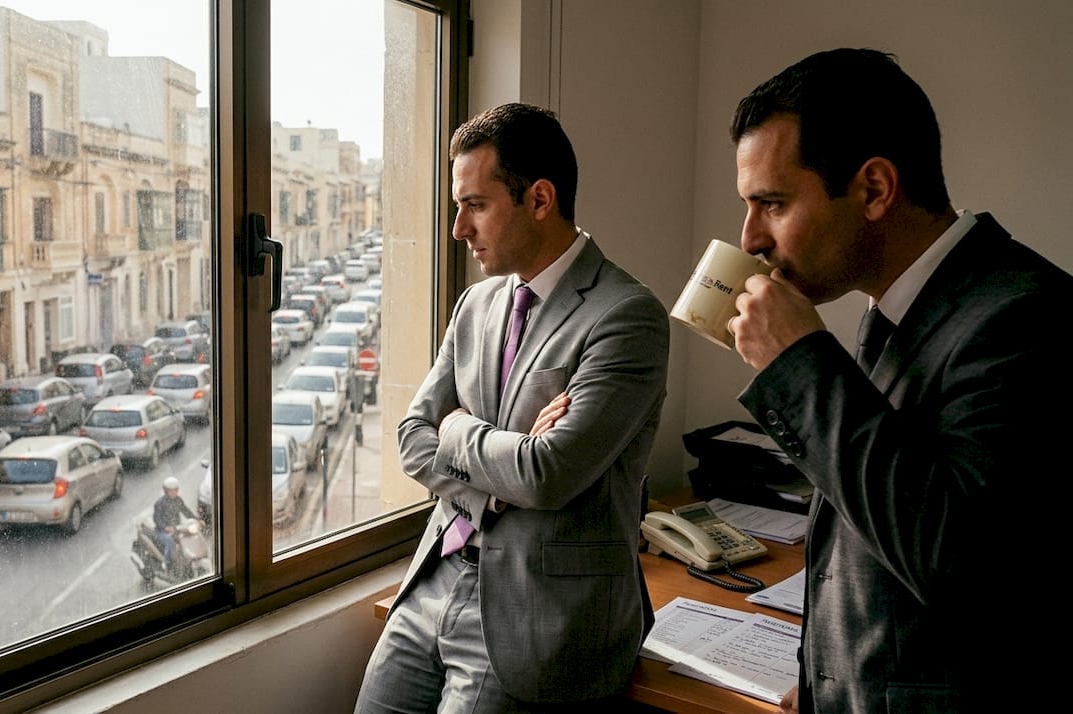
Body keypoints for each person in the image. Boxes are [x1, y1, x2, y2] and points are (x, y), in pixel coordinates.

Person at [725, 48, 1071, 713]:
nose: (750, 239)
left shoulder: (1025, 317)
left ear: (875, 189)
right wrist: (827, 677)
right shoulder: (898, 313)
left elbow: (962, 562)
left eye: (772, 204)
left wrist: (799, 363)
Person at [354, 102, 670, 711]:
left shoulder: (627, 316)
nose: (458, 228)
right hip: (434, 579)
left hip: (535, 613)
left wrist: (458, 431)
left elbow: (547, 474)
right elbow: (413, 438)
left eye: (475, 205)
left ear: (540, 199)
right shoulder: (475, 304)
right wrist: (505, 470)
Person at [153, 476, 197, 570]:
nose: (174, 492)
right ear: (166, 491)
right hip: (162, 531)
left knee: (190, 536)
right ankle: (166, 562)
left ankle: (188, 559)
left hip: (176, 528)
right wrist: (165, 528)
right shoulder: (160, 503)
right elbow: (157, 519)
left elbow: (186, 511)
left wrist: (197, 519)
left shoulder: (178, 500)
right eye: (171, 490)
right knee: (169, 541)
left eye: (175, 490)